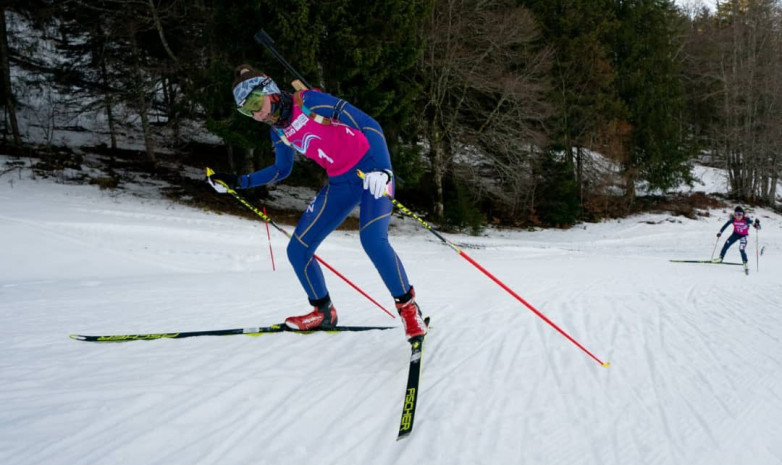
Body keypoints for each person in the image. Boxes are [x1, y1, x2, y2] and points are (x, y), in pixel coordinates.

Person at [206, 65, 427, 340]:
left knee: (372, 239)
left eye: (255, 103)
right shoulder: (278, 131)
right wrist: (238, 182)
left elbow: (370, 124)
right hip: (340, 183)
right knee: (298, 250)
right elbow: (280, 170)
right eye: (246, 111)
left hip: (371, 171)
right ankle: (323, 312)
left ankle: (408, 309)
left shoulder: (309, 102)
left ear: (270, 91)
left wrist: (383, 170)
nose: (256, 114)